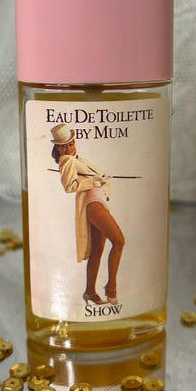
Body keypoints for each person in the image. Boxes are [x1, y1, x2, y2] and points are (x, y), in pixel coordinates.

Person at [51, 124, 125, 305]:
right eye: (64, 146)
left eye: (71, 143)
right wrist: (94, 181)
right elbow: (69, 186)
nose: (69, 148)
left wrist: (102, 179)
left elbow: (92, 178)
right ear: (58, 148)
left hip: (99, 201)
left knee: (97, 251)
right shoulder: (67, 161)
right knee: (119, 241)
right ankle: (111, 287)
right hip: (92, 203)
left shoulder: (79, 159)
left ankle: (90, 292)